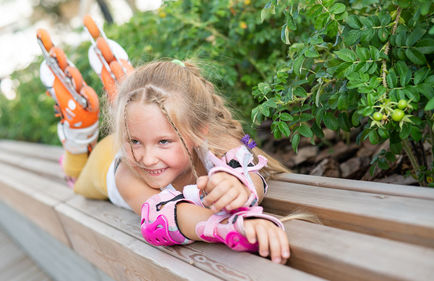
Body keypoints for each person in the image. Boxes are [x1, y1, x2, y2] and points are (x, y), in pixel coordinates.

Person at [41, 44, 292, 263]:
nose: (147, 158)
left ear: (198, 132)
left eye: (163, 141)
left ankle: (124, 88)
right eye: (135, 142)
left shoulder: (215, 138)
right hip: (102, 163)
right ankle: (78, 135)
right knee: (75, 177)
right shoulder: (127, 174)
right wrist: (229, 226)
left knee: (142, 122)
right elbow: (161, 218)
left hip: (136, 125)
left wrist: (239, 185)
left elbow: (251, 164)